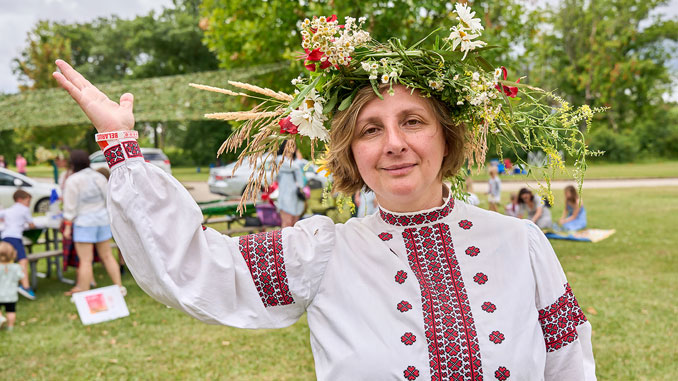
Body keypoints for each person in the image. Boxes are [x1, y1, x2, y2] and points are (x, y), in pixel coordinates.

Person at [53, 8, 595, 378]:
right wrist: (122, 144)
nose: (395, 144)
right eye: (370, 129)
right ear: (351, 154)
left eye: (413, 121)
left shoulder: (520, 243)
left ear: (447, 136)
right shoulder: (321, 252)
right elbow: (198, 267)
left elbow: (570, 365)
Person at [61, 150, 123, 296]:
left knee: (85, 260)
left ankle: (84, 292)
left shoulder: (73, 180)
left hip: (84, 222)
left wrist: (68, 226)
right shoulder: (99, 177)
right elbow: (107, 199)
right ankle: (119, 287)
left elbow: (70, 207)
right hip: (102, 221)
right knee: (107, 256)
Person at [0, 190, 36, 300]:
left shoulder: (8, 210)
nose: (28, 204)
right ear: (20, 200)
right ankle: (25, 286)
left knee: (5, 261)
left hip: (4, 236)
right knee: (23, 260)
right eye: (28, 201)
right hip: (15, 237)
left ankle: (6, 286)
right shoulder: (24, 209)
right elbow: (32, 225)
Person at [276, 142, 306, 228]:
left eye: (293, 144)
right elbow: (295, 166)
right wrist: (299, 161)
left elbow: (302, 166)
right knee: (287, 223)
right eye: (289, 144)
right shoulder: (279, 159)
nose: (291, 147)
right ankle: (286, 241)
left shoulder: (295, 161)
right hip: (286, 196)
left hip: (297, 196)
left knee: (295, 224)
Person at [0, 242, 23, 331]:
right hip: (11, 295)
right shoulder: (16, 267)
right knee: (11, 311)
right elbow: (20, 277)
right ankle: (10, 327)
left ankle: (1, 319)